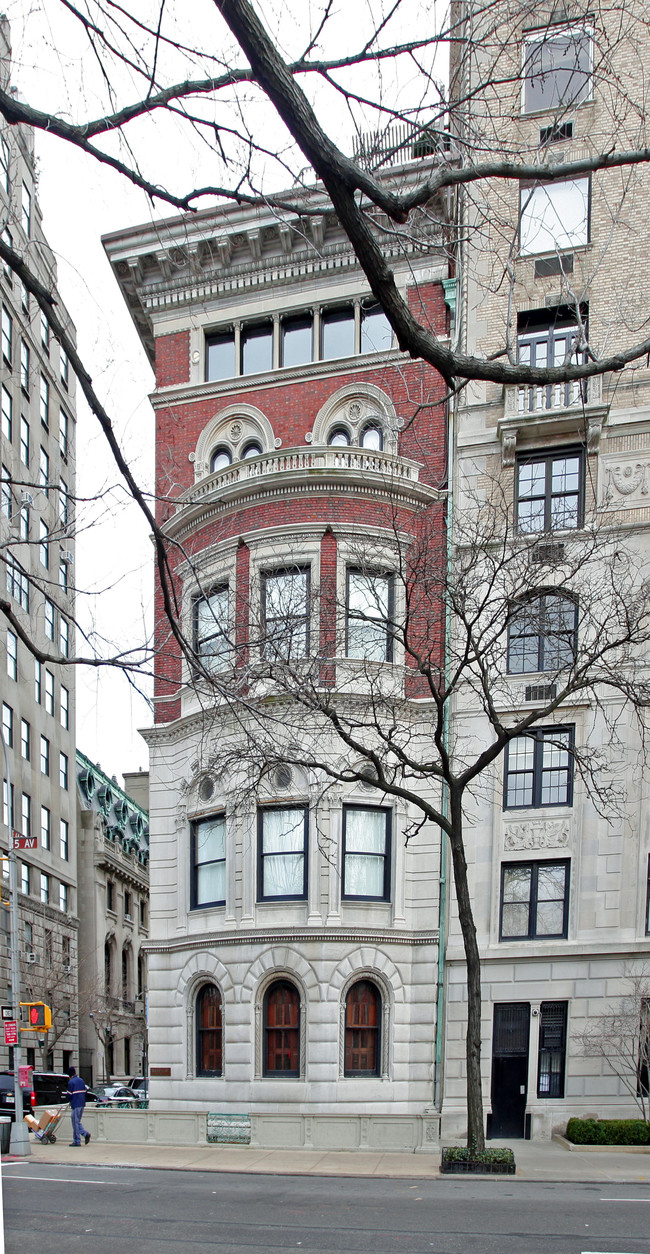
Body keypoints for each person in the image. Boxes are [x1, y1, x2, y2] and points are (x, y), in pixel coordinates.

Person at [66, 1066, 91, 1146]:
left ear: (70, 1075)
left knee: (75, 1122)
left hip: (75, 1104)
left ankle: (77, 1140)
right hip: (82, 1104)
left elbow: (69, 1095)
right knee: (77, 1121)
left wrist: (68, 1100)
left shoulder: (71, 1082)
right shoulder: (81, 1080)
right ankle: (84, 1134)